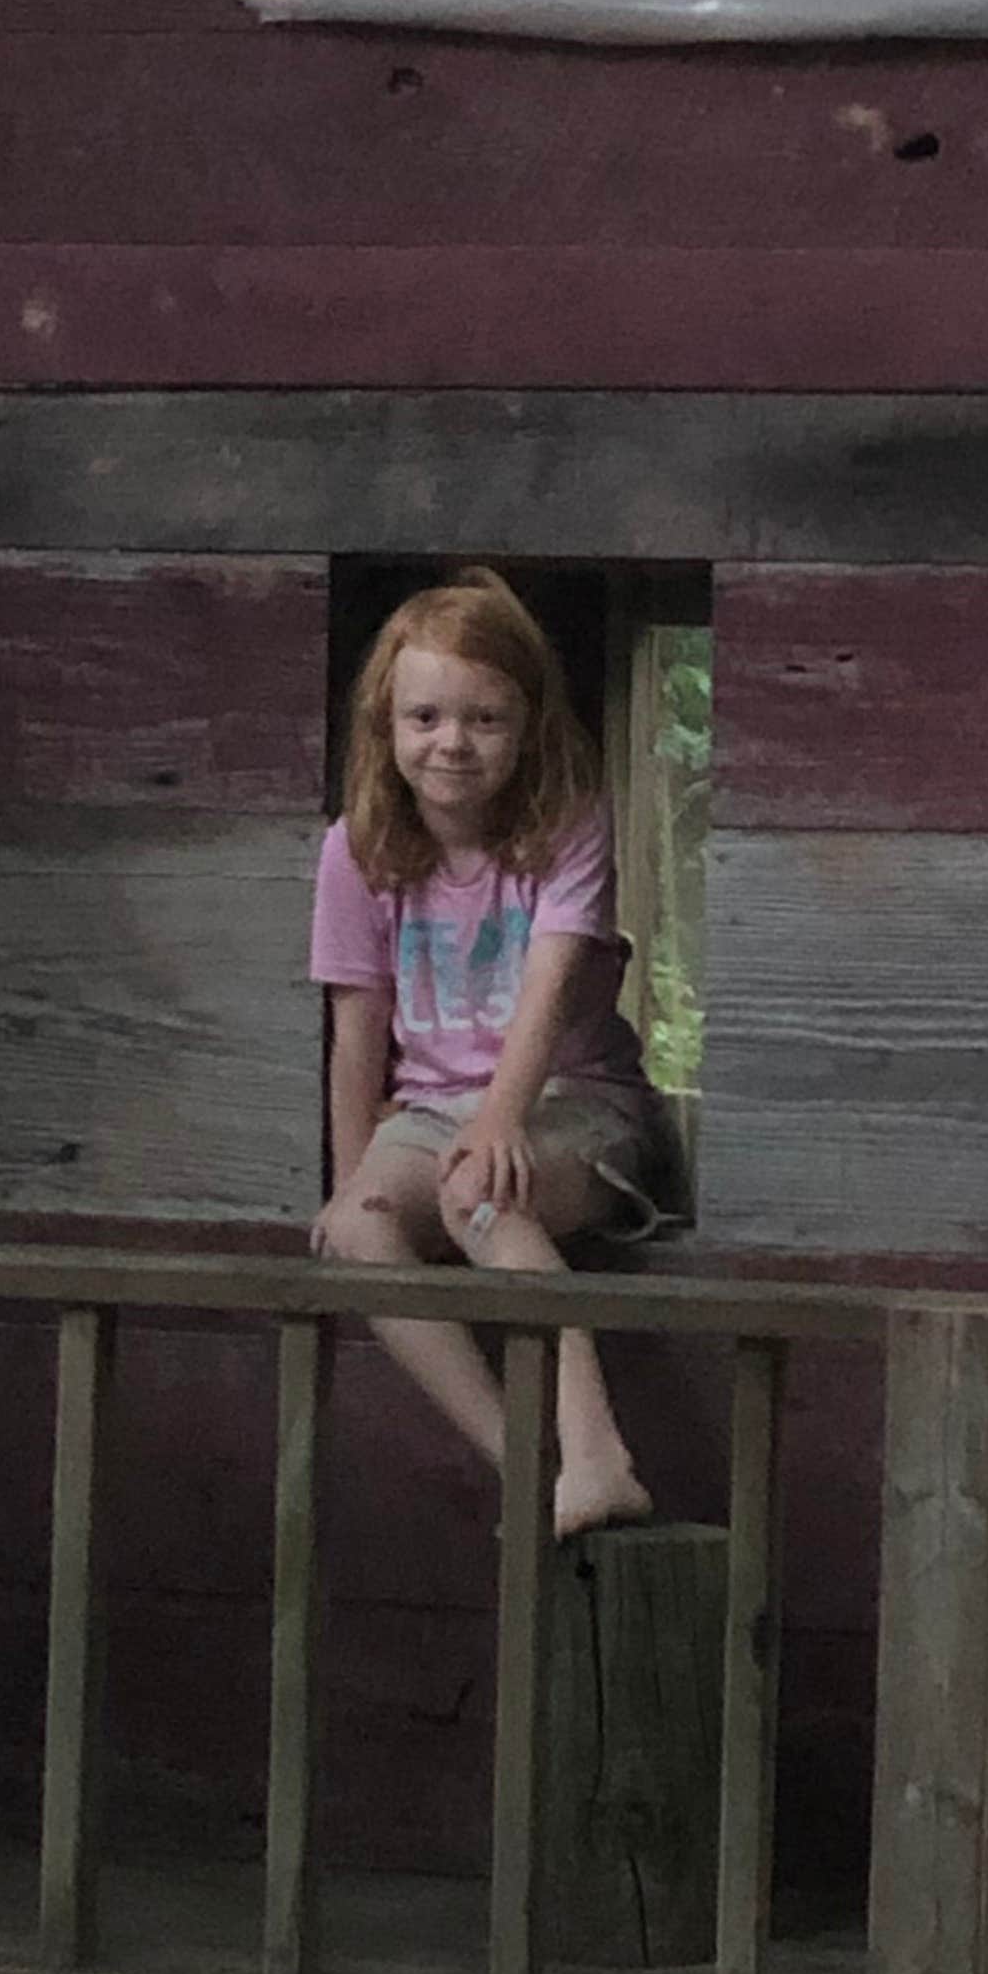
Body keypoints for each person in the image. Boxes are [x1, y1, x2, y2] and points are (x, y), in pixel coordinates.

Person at [308, 568, 663, 1539]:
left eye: (484, 718)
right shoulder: (356, 849)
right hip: (429, 1113)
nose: (451, 743)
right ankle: (526, 1458)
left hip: (571, 1097)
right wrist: (349, 1187)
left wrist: (502, 1119)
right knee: (366, 1230)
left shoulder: (567, 826)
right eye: (424, 716)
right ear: (386, 724)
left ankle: (599, 1455)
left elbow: (549, 991)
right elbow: (358, 1025)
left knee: (480, 1188)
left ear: (529, 723)